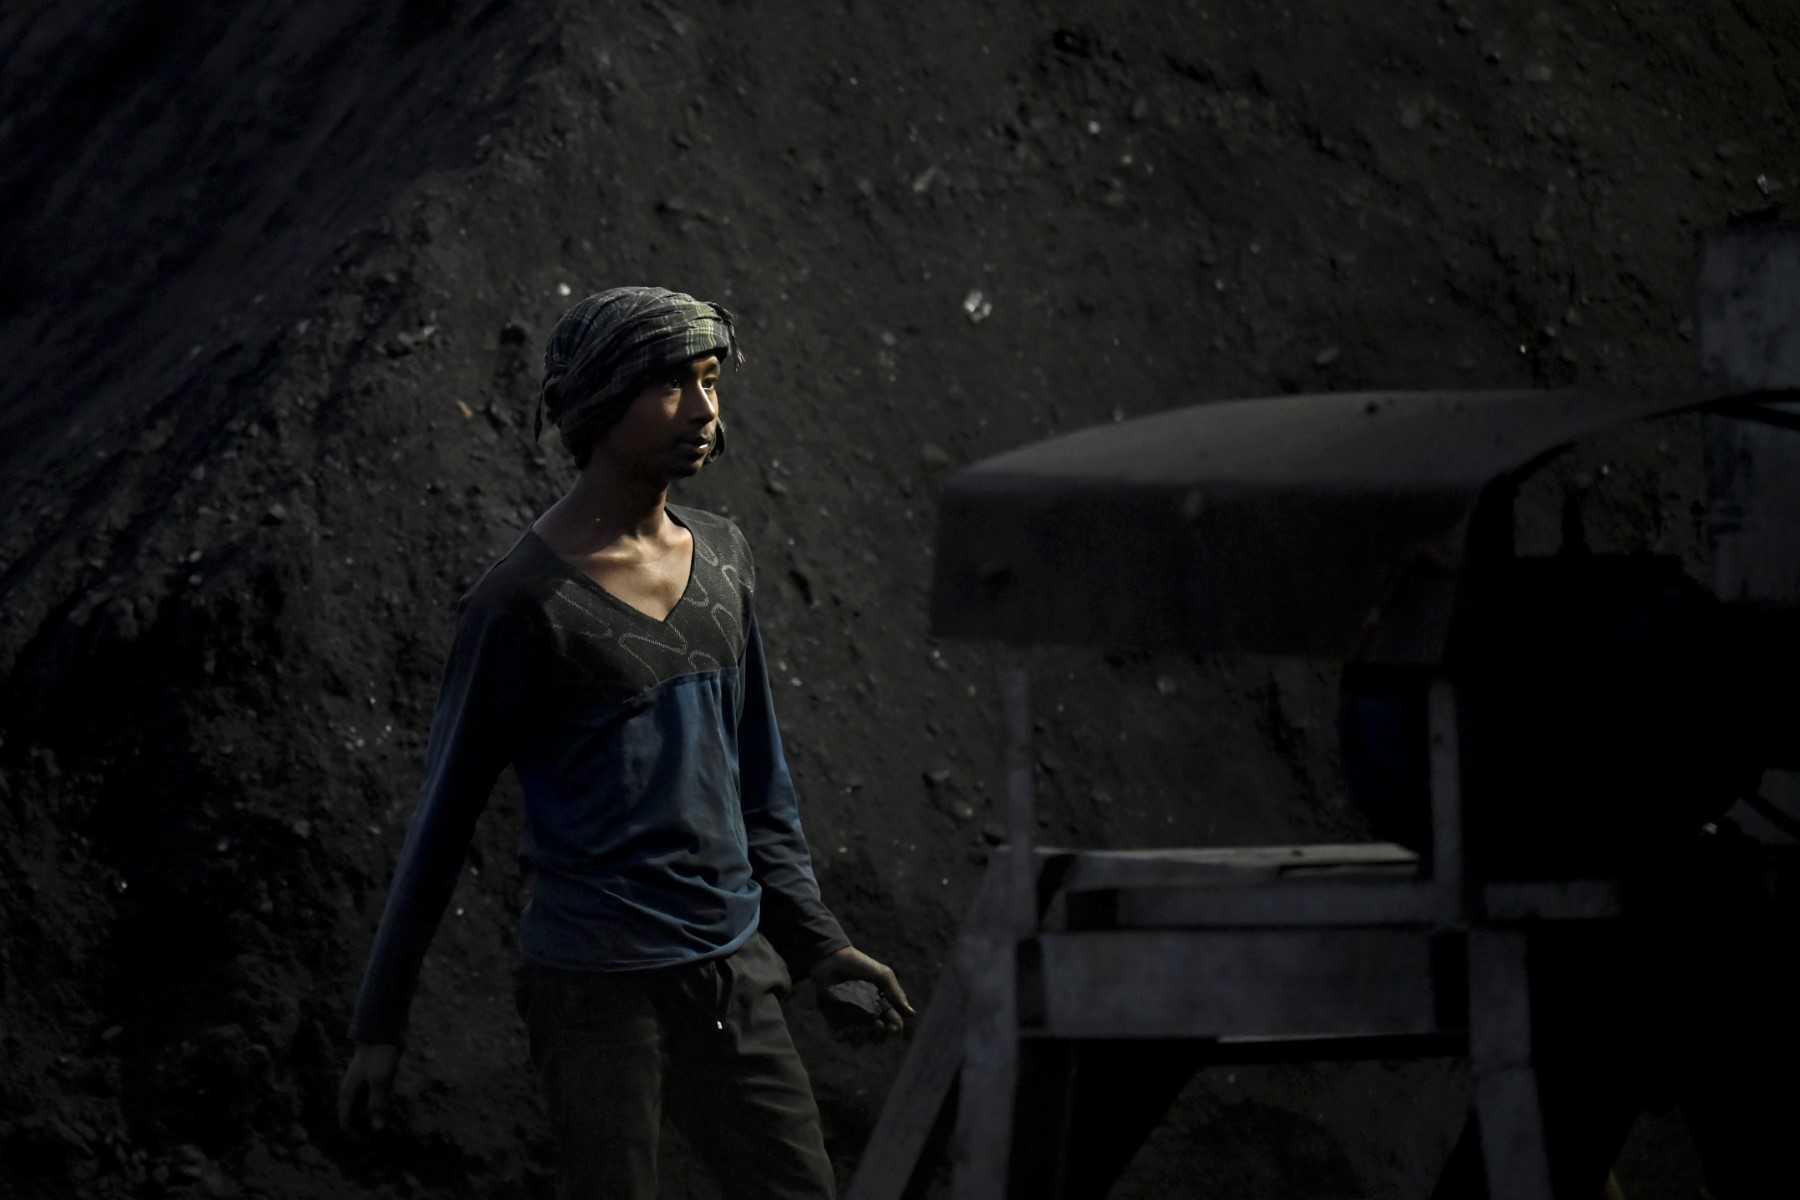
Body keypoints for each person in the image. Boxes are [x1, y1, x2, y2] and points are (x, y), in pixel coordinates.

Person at [338, 286, 912, 1198]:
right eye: (672, 386)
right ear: (603, 401)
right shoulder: (522, 605)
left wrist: (820, 944)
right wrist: (381, 1024)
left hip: (734, 973)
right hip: (598, 995)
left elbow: (758, 778)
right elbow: (442, 820)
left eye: (712, 380)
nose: (705, 409)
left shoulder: (722, 557)